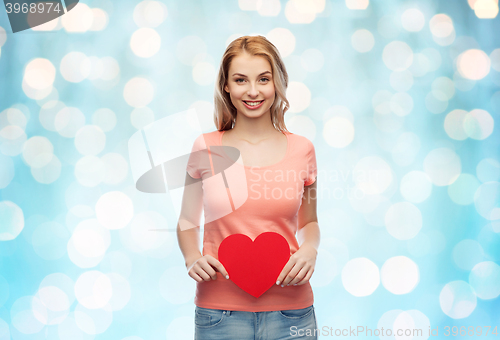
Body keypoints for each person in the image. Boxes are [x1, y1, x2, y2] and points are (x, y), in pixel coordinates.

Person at [177, 35, 320, 340]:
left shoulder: (302, 149)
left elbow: (309, 222)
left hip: (292, 313)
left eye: (263, 79)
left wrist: (310, 248)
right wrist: (192, 257)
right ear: (226, 85)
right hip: (219, 315)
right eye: (241, 80)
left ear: (277, 83)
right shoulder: (206, 147)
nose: (253, 91)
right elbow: (188, 221)